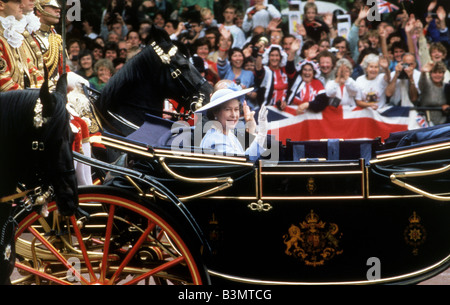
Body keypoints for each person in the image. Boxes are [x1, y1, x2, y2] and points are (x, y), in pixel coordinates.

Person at [196, 83, 268, 161]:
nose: (234, 115)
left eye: (236, 109)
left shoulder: (229, 135)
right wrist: (262, 134)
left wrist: (257, 131)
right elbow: (243, 162)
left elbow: (245, 156)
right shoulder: (215, 138)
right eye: (228, 109)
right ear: (215, 112)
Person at [255, 44, 293, 108]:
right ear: (268, 57)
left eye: (277, 55)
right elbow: (258, 69)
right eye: (272, 55)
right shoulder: (266, 71)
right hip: (268, 108)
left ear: (281, 57)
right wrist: (260, 53)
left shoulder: (284, 71)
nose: (274, 58)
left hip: (285, 108)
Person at [419, 61, 448, 126]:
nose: (437, 75)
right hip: (426, 121)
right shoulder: (427, 84)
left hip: (443, 121)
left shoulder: (446, 86)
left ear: (443, 74)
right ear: (430, 74)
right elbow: (422, 83)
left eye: (440, 72)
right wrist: (423, 72)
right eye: (435, 72)